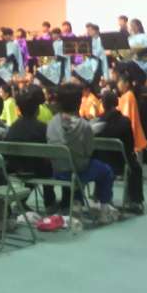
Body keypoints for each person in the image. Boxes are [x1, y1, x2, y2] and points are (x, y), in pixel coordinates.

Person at [47, 83, 115, 223]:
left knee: (77, 165)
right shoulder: (84, 126)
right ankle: (104, 210)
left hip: (57, 172)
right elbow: (89, 151)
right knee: (106, 171)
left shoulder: (51, 122)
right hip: (77, 171)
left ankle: (77, 204)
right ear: (79, 102)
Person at [91, 91, 144, 213]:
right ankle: (135, 201)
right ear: (116, 103)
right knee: (136, 167)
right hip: (121, 164)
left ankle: (98, 195)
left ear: (103, 105)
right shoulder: (125, 122)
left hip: (101, 163)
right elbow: (130, 147)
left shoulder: (96, 122)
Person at [7, 90, 57, 212]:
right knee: (46, 165)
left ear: (19, 109)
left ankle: (22, 201)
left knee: (31, 163)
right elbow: (50, 151)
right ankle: (50, 202)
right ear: (37, 109)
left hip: (16, 169)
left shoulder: (13, 127)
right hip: (38, 170)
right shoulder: (42, 127)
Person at [117, 72, 147, 154]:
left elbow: (126, 118)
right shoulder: (126, 96)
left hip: (132, 138)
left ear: (127, 83)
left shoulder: (128, 96)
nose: (118, 84)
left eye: (119, 82)